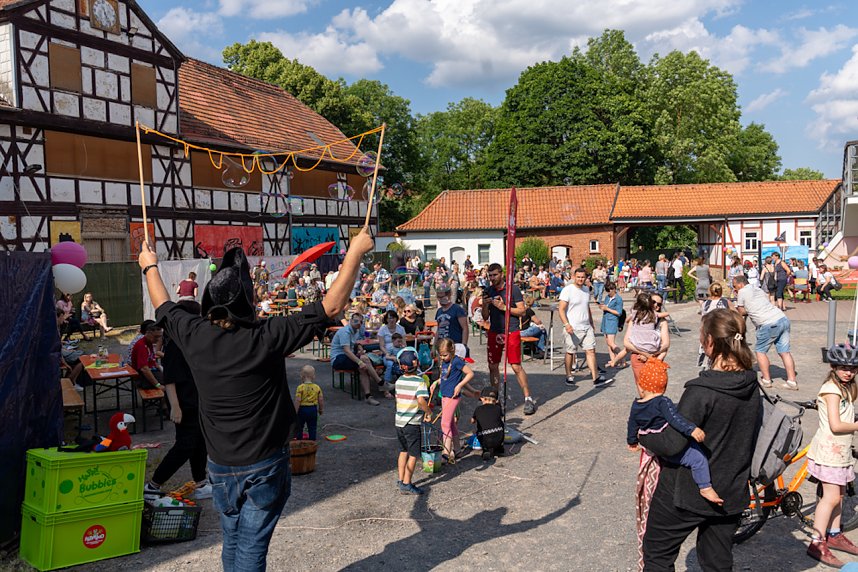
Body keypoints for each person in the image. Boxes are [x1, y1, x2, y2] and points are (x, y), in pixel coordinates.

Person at [138, 226, 374, 572]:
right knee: (250, 545)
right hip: (264, 462)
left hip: (221, 462)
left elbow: (163, 305)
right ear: (247, 301)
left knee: (233, 538)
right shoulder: (267, 335)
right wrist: (354, 252)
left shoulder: (194, 333)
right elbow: (332, 306)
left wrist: (149, 265)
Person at [640, 309, 760, 570]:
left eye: (701, 336)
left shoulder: (701, 391)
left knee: (657, 554)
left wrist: (644, 435)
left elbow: (673, 443)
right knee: (717, 562)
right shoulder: (752, 385)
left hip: (686, 491)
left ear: (710, 342)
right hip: (730, 489)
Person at [627, 358, 723, 505]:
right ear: (663, 388)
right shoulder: (662, 402)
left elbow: (632, 425)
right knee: (698, 459)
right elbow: (675, 419)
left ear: (641, 386)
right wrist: (691, 429)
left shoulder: (636, 406)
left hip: (653, 445)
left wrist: (632, 442)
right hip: (668, 443)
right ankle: (705, 487)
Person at [144, 299, 211, 500]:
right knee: (185, 445)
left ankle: (201, 483)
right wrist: (174, 406)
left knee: (199, 443)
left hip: (196, 401)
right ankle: (153, 486)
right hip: (184, 403)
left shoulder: (188, 340)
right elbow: (170, 378)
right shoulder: (175, 344)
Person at [805, 344, 858, 567]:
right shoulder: (831, 390)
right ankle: (816, 542)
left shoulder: (846, 387)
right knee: (831, 498)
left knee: (840, 495)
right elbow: (836, 425)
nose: (849, 372)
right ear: (833, 367)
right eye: (844, 367)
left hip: (840, 451)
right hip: (829, 451)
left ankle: (834, 534)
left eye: (853, 368)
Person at [481, 263, 537, 415]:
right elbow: (485, 317)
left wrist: (504, 307)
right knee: (493, 366)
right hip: (495, 331)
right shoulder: (488, 290)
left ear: (501, 274)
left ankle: (528, 398)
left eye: (495, 275)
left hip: (511, 330)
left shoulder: (513, 289)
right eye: (490, 275)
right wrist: (485, 305)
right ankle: (495, 398)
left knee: (515, 366)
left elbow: (522, 311)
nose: (492, 278)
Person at [733, 274, 798, 390]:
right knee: (785, 352)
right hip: (782, 318)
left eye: (734, 286)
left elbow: (742, 311)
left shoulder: (742, 292)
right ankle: (792, 381)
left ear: (740, 284)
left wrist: (737, 307)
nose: (734, 288)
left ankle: (766, 380)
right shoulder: (758, 289)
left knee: (760, 351)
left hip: (768, 323)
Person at [558, 267, 613, 387]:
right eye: (578, 277)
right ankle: (569, 375)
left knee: (591, 350)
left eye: (582, 277)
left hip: (586, 326)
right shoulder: (568, 290)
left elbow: (586, 307)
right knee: (570, 352)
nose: (580, 279)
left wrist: (591, 322)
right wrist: (566, 324)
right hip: (572, 326)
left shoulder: (586, 290)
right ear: (574, 277)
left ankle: (595, 378)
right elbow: (561, 309)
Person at [430, 338, 475, 463]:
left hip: (452, 396)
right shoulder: (444, 362)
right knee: (450, 424)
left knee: (444, 424)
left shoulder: (456, 361)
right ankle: (457, 449)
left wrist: (460, 385)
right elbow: (445, 377)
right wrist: (436, 382)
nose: (442, 357)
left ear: (452, 351)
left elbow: (470, 373)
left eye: (445, 355)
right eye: (441, 355)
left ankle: (446, 453)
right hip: (445, 395)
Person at [394, 349, 431, 495]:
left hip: (399, 422)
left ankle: (400, 479)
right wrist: (428, 412)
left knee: (403, 451)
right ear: (417, 364)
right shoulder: (420, 382)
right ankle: (407, 483)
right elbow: (421, 401)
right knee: (414, 454)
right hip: (411, 423)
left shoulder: (399, 381)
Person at [331, 312, 388, 405]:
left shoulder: (355, 331)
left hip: (346, 357)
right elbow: (347, 351)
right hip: (338, 359)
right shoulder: (345, 332)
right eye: (356, 321)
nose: (358, 323)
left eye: (360, 322)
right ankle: (381, 383)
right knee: (364, 360)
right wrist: (359, 362)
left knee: (363, 367)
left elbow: (355, 343)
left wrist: (359, 346)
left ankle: (368, 396)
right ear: (350, 321)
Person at [698, 283, 732, 368]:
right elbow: (735, 313)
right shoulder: (725, 302)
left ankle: (709, 366)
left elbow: (703, 318)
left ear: (710, 291)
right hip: (722, 330)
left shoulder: (705, 304)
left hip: (709, 330)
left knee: (711, 351)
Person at [471, 386, 505, 461]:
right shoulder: (498, 408)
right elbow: (500, 417)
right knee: (501, 424)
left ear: (482, 398)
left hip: (484, 439)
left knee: (480, 429)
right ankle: (498, 448)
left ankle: (486, 450)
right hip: (498, 438)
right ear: (496, 401)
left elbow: (472, 421)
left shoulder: (478, 409)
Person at [130, 322, 165, 390]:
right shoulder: (141, 345)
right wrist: (158, 385)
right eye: (156, 337)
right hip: (141, 377)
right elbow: (144, 369)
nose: (158, 340)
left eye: (159, 337)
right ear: (148, 333)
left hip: (151, 372)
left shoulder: (149, 343)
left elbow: (153, 361)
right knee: (171, 383)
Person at [294, 365, 324, 441]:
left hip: (302, 409)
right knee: (312, 426)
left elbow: (298, 400)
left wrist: (295, 412)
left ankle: (299, 441)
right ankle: (312, 441)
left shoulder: (300, 387)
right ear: (313, 376)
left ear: (302, 376)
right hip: (313, 409)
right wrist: (321, 409)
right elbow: (321, 399)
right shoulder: (317, 387)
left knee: (300, 426)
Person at [600, 282, 625, 368]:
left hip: (612, 321)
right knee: (608, 343)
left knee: (611, 343)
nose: (608, 292)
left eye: (609, 290)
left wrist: (607, 309)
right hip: (605, 320)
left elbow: (619, 312)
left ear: (614, 289)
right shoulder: (607, 297)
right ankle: (613, 360)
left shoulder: (618, 299)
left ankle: (623, 360)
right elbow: (606, 307)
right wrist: (602, 307)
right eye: (606, 290)